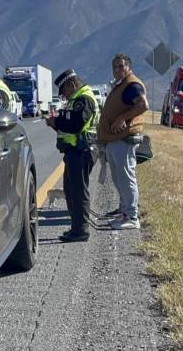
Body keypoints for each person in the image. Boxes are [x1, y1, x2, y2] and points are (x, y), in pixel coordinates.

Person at [47, 69, 99, 242]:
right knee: (70, 190)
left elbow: (76, 124)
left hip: (82, 151)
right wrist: (55, 123)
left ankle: (81, 230)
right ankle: (76, 227)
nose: (63, 96)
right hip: (74, 151)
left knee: (78, 191)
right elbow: (69, 125)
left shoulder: (84, 99)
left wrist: (57, 121)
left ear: (72, 85)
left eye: (64, 92)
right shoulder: (77, 99)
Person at [98, 53, 147, 230]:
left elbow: (142, 104)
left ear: (128, 67)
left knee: (126, 178)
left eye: (121, 66)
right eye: (115, 67)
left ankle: (132, 217)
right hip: (113, 138)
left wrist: (122, 118)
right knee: (119, 178)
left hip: (123, 138)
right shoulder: (120, 86)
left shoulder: (131, 85)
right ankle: (125, 212)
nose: (118, 70)